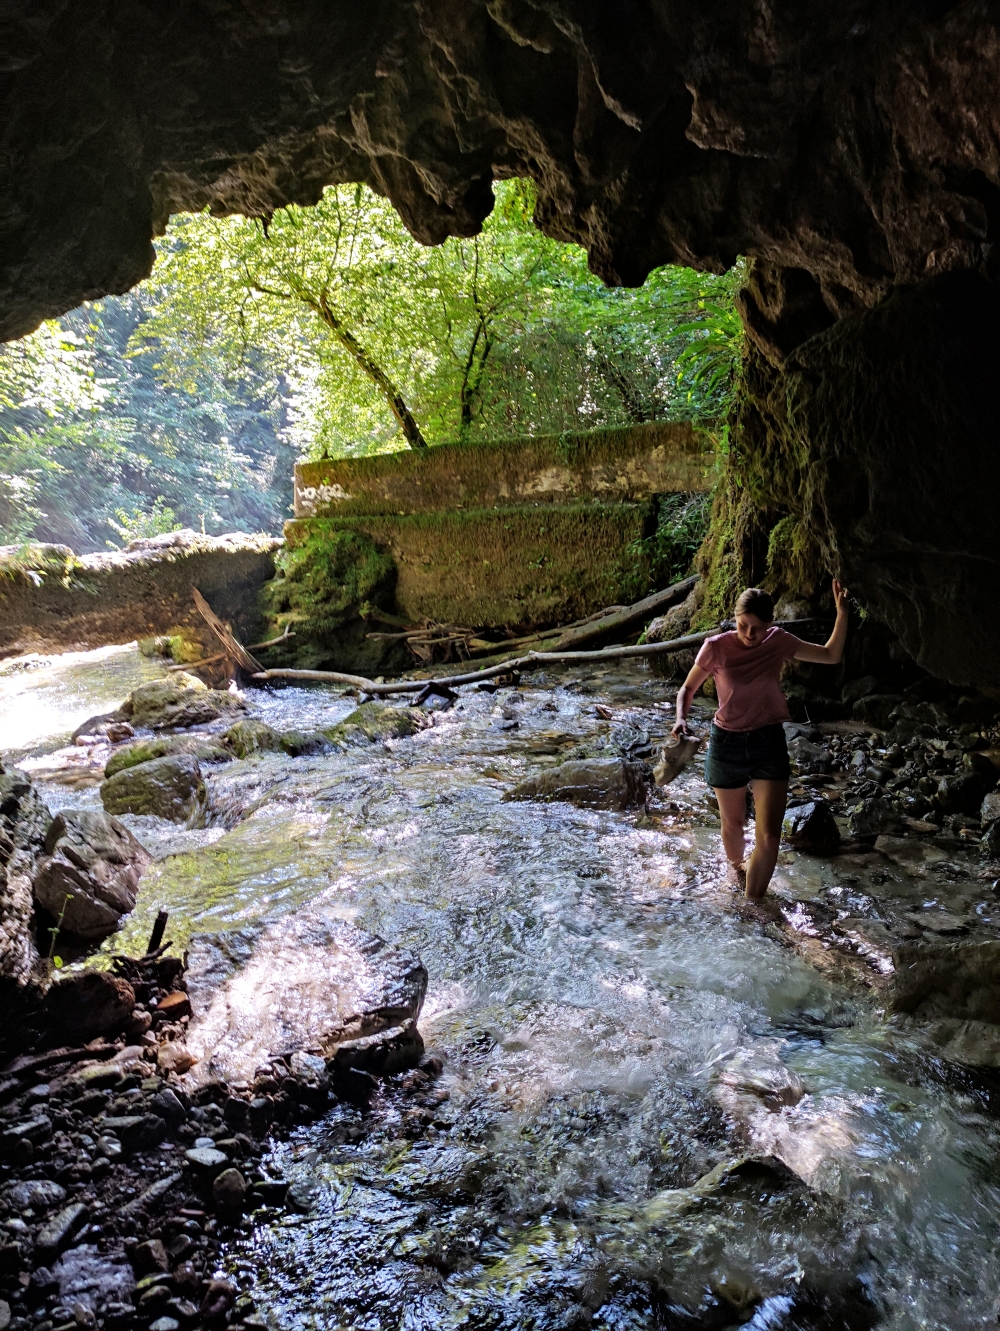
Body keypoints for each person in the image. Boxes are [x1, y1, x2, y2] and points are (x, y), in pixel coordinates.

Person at [671, 581, 850, 900]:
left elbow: (831, 655)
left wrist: (842, 614)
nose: (749, 634)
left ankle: (752, 903)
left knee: (768, 835)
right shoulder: (716, 647)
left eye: (757, 628)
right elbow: (687, 689)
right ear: (735, 618)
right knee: (733, 824)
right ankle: (736, 870)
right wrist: (681, 719)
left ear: (770, 624)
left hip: (768, 742)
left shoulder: (778, 641)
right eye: (743, 625)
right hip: (726, 742)